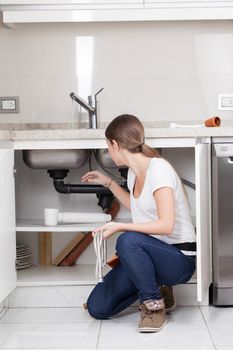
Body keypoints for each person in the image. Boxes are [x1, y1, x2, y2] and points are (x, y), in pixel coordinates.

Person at [81, 114, 196, 333]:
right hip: (154, 255)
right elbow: (137, 206)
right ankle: (155, 286)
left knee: (128, 241)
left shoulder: (158, 169)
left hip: (179, 259)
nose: (108, 150)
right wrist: (108, 183)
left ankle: (154, 306)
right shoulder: (135, 173)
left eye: (108, 146)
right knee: (97, 307)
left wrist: (120, 226)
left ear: (115, 144)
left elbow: (166, 225)